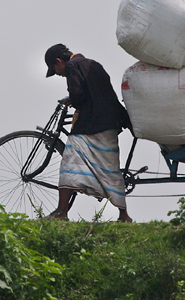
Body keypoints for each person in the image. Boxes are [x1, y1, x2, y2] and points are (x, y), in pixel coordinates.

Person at [44, 43, 133, 223]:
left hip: (92, 124)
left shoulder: (72, 67)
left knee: (69, 160)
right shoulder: (93, 64)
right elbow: (101, 94)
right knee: (110, 168)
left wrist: (73, 100)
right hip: (110, 122)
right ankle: (124, 216)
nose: (60, 74)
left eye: (56, 70)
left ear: (58, 61)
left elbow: (78, 94)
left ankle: (61, 213)